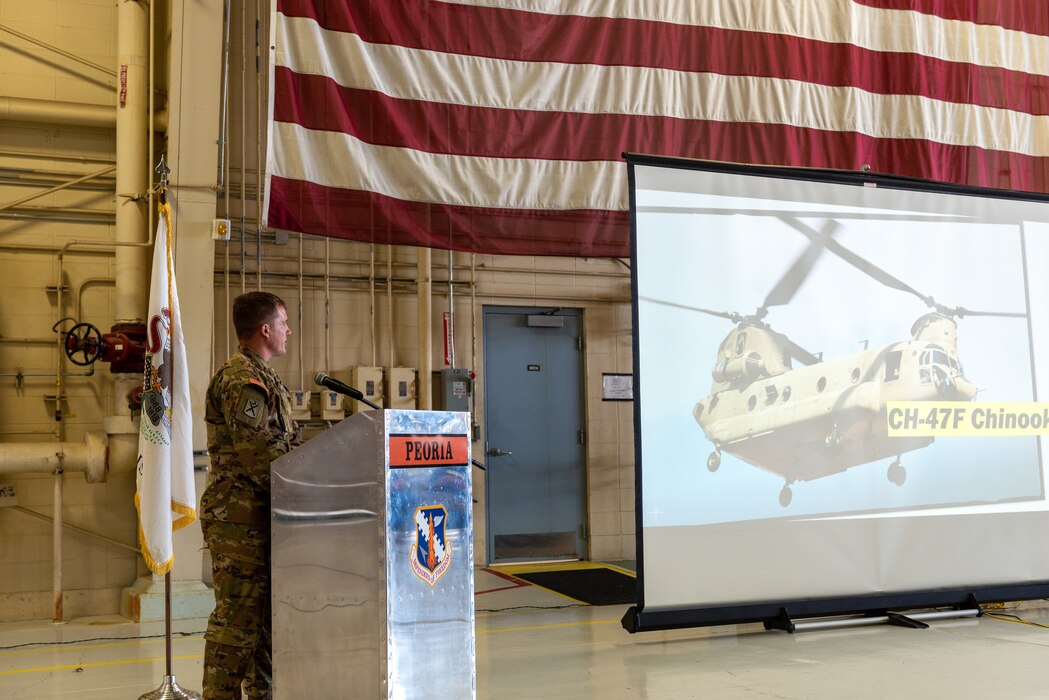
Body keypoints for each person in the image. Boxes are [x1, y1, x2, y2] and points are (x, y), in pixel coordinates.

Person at [200, 291, 295, 699]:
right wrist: (309, 483)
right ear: (265, 329)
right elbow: (260, 456)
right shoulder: (243, 379)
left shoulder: (264, 375)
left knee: (265, 624)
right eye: (284, 322)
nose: (289, 330)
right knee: (237, 623)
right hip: (238, 521)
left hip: (262, 517)